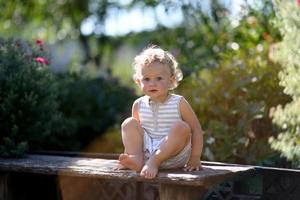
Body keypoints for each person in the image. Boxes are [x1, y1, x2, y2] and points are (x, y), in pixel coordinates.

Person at [116, 45, 204, 179]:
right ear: (138, 82)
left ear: (171, 80)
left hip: (174, 155)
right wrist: (128, 156)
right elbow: (134, 137)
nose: (152, 83)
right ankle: (136, 159)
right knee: (129, 123)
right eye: (146, 79)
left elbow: (196, 129)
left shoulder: (179, 103)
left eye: (159, 78)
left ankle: (155, 161)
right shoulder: (138, 105)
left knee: (182, 127)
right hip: (146, 155)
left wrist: (195, 157)